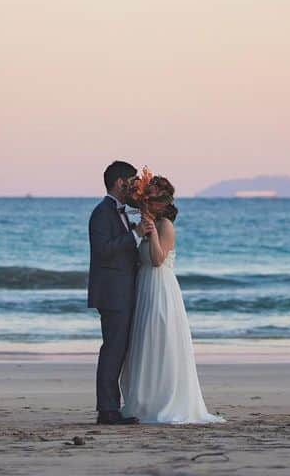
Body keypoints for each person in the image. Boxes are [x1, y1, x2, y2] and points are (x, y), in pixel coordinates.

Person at [121, 175, 224, 424]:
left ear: (161, 202)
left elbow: (157, 259)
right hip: (144, 286)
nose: (146, 203)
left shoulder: (165, 225)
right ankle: (142, 401)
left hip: (161, 287)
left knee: (160, 340)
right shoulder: (144, 223)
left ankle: (164, 401)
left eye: (151, 198)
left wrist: (152, 233)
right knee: (143, 342)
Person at [87, 160, 140, 425]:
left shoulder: (120, 212)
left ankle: (112, 407)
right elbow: (103, 250)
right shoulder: (101, 212)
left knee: (119, 349)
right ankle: (107, 410)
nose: (135, 187)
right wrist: (134, 235)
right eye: (133, 181)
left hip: (123, 291)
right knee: (113, 350)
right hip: (112, 293)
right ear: (120, 182)